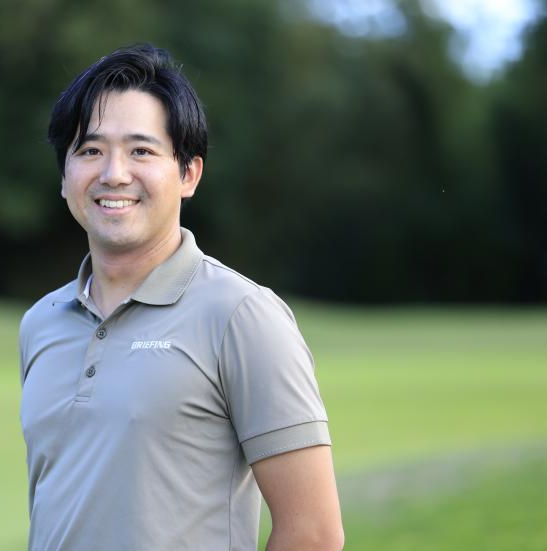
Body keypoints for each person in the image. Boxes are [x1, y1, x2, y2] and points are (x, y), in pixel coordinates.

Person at [19, 43, 344, 551]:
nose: (113, 173)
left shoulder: (241, 315)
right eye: (90, 151)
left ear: (188, 173)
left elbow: (314, 534)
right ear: (65, 177)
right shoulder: (42, 322)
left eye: (141, 151)